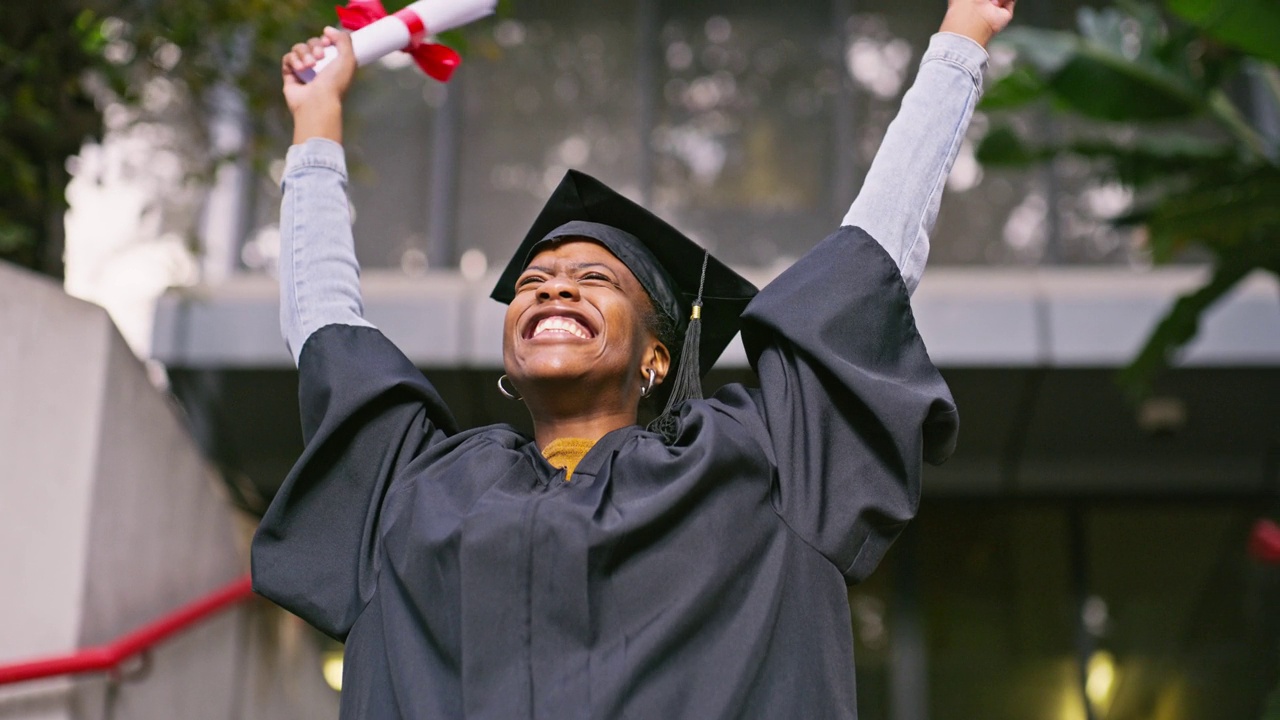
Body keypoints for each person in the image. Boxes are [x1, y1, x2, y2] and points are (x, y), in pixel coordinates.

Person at [252, 0, 1015, 717]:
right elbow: (325, 327)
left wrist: (961, 37)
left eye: (594, 280)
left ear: (658, 354)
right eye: (533, 283)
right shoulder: (420, 492)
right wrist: (318, 117)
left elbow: (870, 259)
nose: (553, 291)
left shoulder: (756, 465)